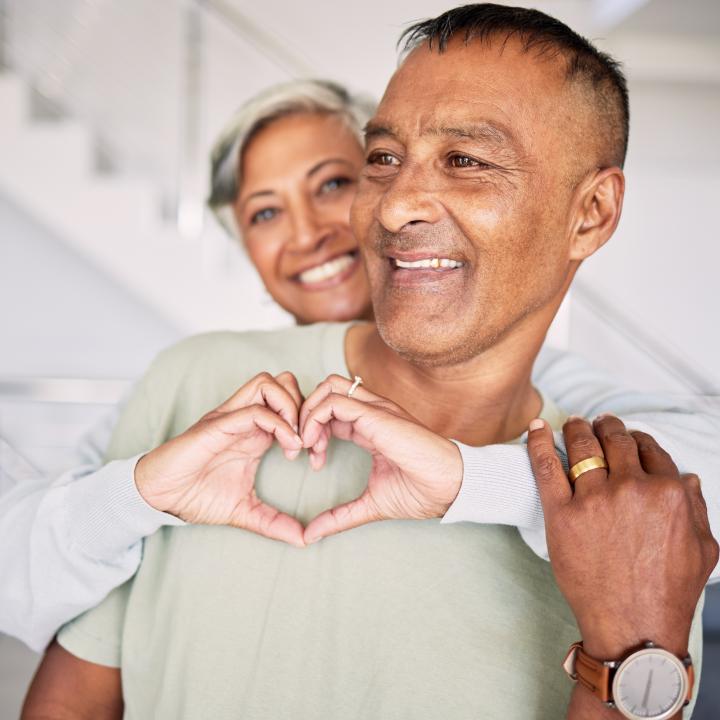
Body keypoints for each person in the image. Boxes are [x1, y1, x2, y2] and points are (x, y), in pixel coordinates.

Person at [20, 5, 718, 720]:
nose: (392, 208)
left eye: (465, 160)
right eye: (383, 159)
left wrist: (629, 645)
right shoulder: (199, 385)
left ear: (591, 214)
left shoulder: (638, 519)